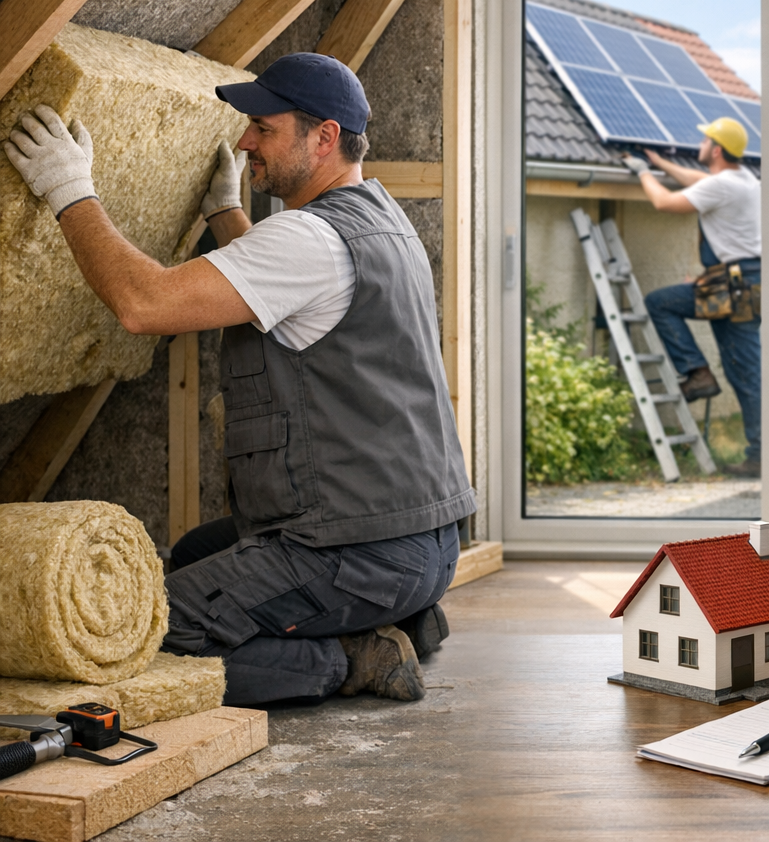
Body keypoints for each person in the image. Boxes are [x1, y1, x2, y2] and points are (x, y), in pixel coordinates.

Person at [2, 52, 476, 705]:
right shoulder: (377, 221)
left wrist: (69, 189)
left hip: (360, 553)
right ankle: (393, 615)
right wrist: (228, 212)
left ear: (325, 137)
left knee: (141, 628)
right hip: (414, 540)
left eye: (266, 128)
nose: (246, 139)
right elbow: (283, 286)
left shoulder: (310, 240)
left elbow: (145, 306)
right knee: (196, 551)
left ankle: (352, 657)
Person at [623, 116, 761, 478]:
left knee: (745, 370)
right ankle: (699, 374)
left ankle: (699, 375)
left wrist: (642, 172)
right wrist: (661, 163)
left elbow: (665, 202)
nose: (697, 145)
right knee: (743, 368)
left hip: (736, 287)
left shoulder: (724, 186)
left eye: (703, 141)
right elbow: (700, 182)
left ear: (715, 149)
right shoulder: (743, 180)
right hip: (735, 282)